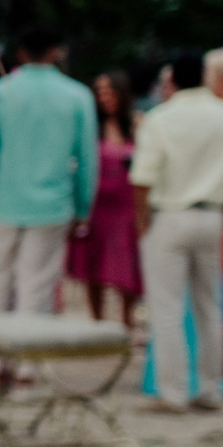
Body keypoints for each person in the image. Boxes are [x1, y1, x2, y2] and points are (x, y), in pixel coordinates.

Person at [131, 48, 223, 412]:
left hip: (168, 215)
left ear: (171, 80)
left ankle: (173, 392)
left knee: (167, 307)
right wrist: (222, 214)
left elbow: (142, 176)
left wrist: (142, 222)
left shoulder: (161, 118)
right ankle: (211, 387)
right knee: (209, 306)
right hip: (212, 216)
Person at [0, 29, 97, 315]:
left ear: (20, 54)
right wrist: (83, 210)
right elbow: (86, 160)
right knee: (37, 286)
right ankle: (29, 359)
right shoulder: (77, 96)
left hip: (4, 203)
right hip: (53, 206)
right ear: (55, 51)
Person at [68, 71, 144, 324]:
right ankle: (96, 319)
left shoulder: (136, 125)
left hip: (126, 203)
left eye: (110, 91)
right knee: (94, 260)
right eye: (99, 91)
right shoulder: (89, 126)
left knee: (127, 260)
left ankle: (127, 319)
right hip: (96, 201)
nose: (104, 97)